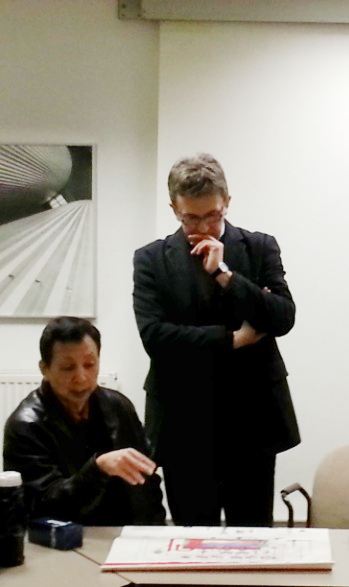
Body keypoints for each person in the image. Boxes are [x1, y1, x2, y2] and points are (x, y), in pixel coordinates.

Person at [133, 153, 299, 526]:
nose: (203, 227)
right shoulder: (151, 259)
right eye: (190, 218)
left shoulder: (259, 247)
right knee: (191, 538)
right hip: (183, 419)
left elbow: (282, 317)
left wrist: (226, 276)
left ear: (227, 201)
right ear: (174, 208)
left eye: (212, 215)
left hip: (252, 418)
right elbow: (155, 338)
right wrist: (233, 340)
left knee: (253, 536)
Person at [3, 317, 165, 525]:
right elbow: (43, 506)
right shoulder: (25, 426)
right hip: (61, 537)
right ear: (45, 369)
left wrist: (155, 532)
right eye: (68, 367)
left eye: (89, 365)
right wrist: (97, 470)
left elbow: (147, 483)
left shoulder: (118, 407)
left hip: (122, 532)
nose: (81, 377)